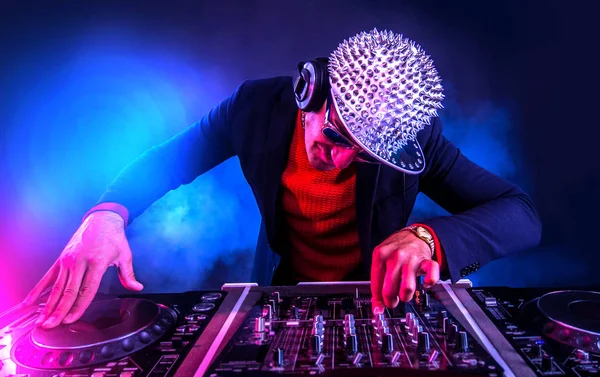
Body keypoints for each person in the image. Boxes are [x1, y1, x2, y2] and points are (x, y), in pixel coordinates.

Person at [24, 28, 541, 329]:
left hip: (378, 303)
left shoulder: (415, 137)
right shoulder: (254, 107)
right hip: (283, 293)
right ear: (308, 91)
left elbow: (521, 215)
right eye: (336, 137)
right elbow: (167, 161)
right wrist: (105, 215)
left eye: (362, 157)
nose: (338, 162)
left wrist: (430, 238)